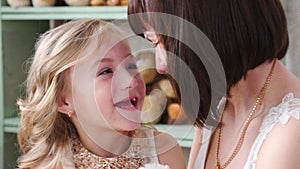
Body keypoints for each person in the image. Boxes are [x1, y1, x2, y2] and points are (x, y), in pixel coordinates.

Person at [128, 0, 300, 169]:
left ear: (207, 27)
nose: (160, 66)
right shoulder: (216, 108)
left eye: (159, 42)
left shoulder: (291, 132)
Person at [17, 19, 186, 169]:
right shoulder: (50, 166)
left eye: (131, 66)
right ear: (63, 101)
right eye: (106, 72)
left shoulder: (164, 150)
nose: (130, 80)